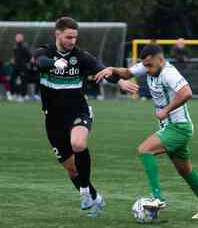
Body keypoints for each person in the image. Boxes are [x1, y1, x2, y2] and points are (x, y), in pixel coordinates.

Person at [95, 44, 198, 219]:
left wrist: (166, 110)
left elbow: (187, 92)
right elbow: (127, 73)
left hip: (179, 127)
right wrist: (111, 69)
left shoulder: (169, 73)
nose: (147, 69)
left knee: (145, 149)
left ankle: (157, 198)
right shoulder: (147, 65)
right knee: (185, 171)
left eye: (150, 65)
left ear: (160, 59)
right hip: (169, 127)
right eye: (145, 65)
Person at [33, 17, 139, 216]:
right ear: (57, 34)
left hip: (78, 112)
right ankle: (95, 197)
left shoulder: (81, 57)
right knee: (72, 170)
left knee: (78, 144)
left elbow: (102, 70)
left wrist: (121, 83)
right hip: (53, 120)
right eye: (68, 37)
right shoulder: (44, 52)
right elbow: (39, 62)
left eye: (75, 37)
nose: (72, 41)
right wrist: (56, 64)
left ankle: (83, 192)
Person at [13, 33, 32, 101]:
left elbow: (29, 55)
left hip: (23, 67)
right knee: (14, 80)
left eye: (19, 37)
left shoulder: (25, 46)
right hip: (16, 67)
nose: (17, 38)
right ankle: (15, 94)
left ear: (22, 38)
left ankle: (23, 95)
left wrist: (28, 63)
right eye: (16, 37)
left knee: (23, 81)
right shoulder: (15, 46)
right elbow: (16, 56)